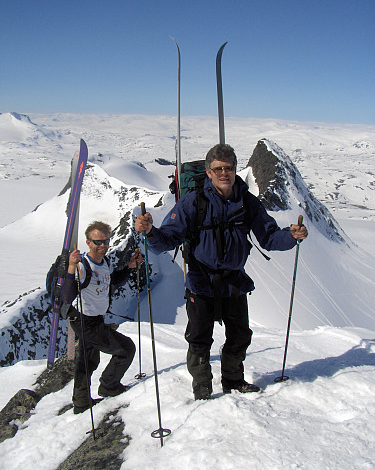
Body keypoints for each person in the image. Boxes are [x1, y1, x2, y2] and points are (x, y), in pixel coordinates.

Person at [135, 144, 308, 400]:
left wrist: (291, 236)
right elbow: (167, 239)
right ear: (208, 172)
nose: (223, 173)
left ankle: (234, 381)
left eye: (228, 168)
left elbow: (269, 237)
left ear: (235, 170)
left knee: (240, 335)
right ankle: (202, 388)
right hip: (200, 280)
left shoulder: (247, 202)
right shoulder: (193, 202)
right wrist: (150, 232)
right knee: (199, 339)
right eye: (218, 169)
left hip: (234, 281)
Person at [62, 220, 142, 414]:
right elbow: (66, 295)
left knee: (88, 359)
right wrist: (72, 267)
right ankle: (108, 386)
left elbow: (110, 282)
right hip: (84, 320)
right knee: (125, 348)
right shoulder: (83, 265)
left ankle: (81, 402)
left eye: (106, 241)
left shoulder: (103, 262)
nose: (103, 245)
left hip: (94, 319)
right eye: (98, 242)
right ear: (88, 242)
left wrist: (130, 266)